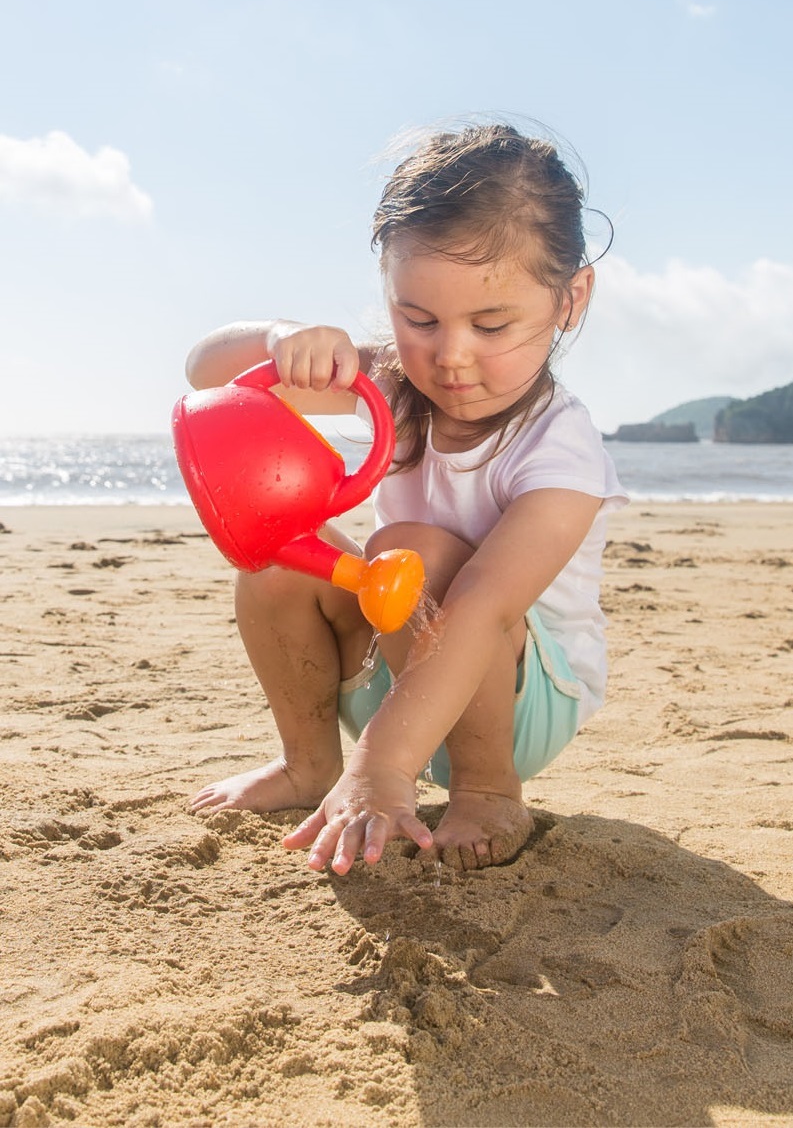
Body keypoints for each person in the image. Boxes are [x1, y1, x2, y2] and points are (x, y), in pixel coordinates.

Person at [187, 121, 627, 875]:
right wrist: (286, 338)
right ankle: (307, 763)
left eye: (491, 324)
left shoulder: (562, 449)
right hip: (391, 664)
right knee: (278, 561)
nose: (449, 356)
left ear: (569, 299)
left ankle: (488, 791)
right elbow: (205, 374)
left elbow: (485, 606)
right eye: (417, 319)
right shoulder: (390, 381)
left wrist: (383, 768)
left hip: (517, 704)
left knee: (408, 551)